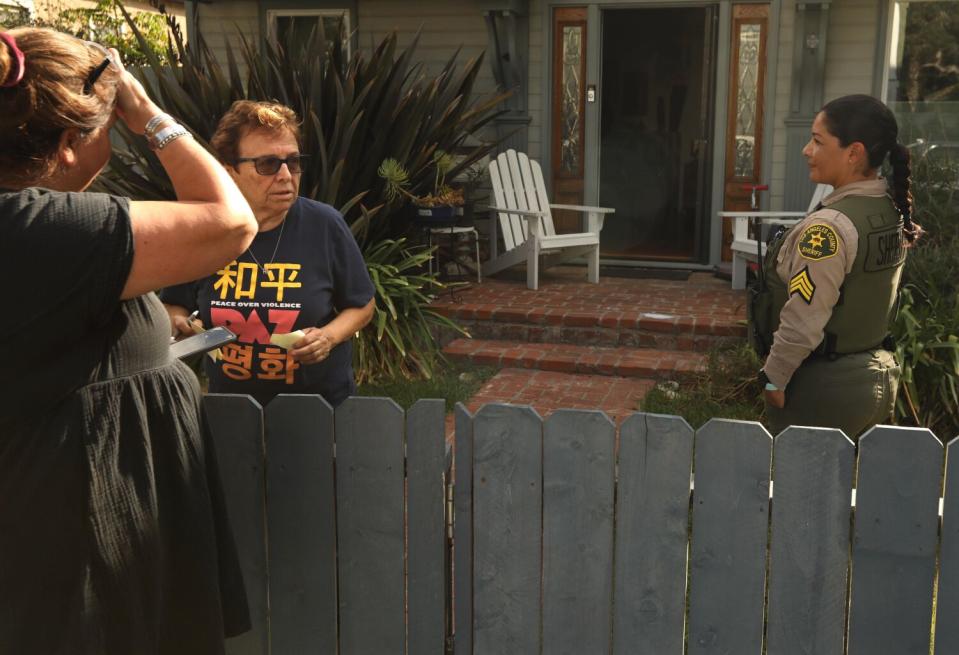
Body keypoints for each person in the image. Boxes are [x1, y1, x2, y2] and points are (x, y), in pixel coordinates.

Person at [0, 28, 259, 652]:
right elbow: (231, 223)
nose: (114, 140)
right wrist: (151, 117)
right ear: (67, 144)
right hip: (81, 545)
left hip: (87, 524)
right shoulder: (41, 230)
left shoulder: (46, 232)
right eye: (106, 127)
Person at [162, 100, 376, 408]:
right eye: (268, 165)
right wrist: (179, 323)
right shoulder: (206, 233)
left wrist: (328, 337)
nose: (286, 175)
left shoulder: (325, 225)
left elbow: (362, 305)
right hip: (232, 409)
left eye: (293, 161)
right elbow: (174, 304)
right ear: (229, 170)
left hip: (318, 409)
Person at [754, 94, 921, 438]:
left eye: (817, 141)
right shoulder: (888, 212)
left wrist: (774, 378)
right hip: (876, 376)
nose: (806, 150)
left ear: (853, 152)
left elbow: (804, 320)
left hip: (824, 388)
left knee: (806, 490)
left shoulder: (827, 230)